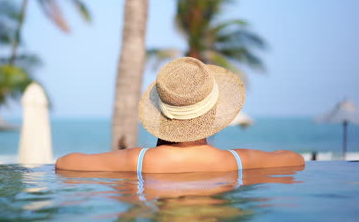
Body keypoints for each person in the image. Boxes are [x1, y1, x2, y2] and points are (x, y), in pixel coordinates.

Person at [55, 57, 305, 173]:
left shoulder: (136, 162)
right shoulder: (237, 162)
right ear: (214, 112)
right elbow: (295, 160)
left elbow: (64, 163)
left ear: (161, 113)